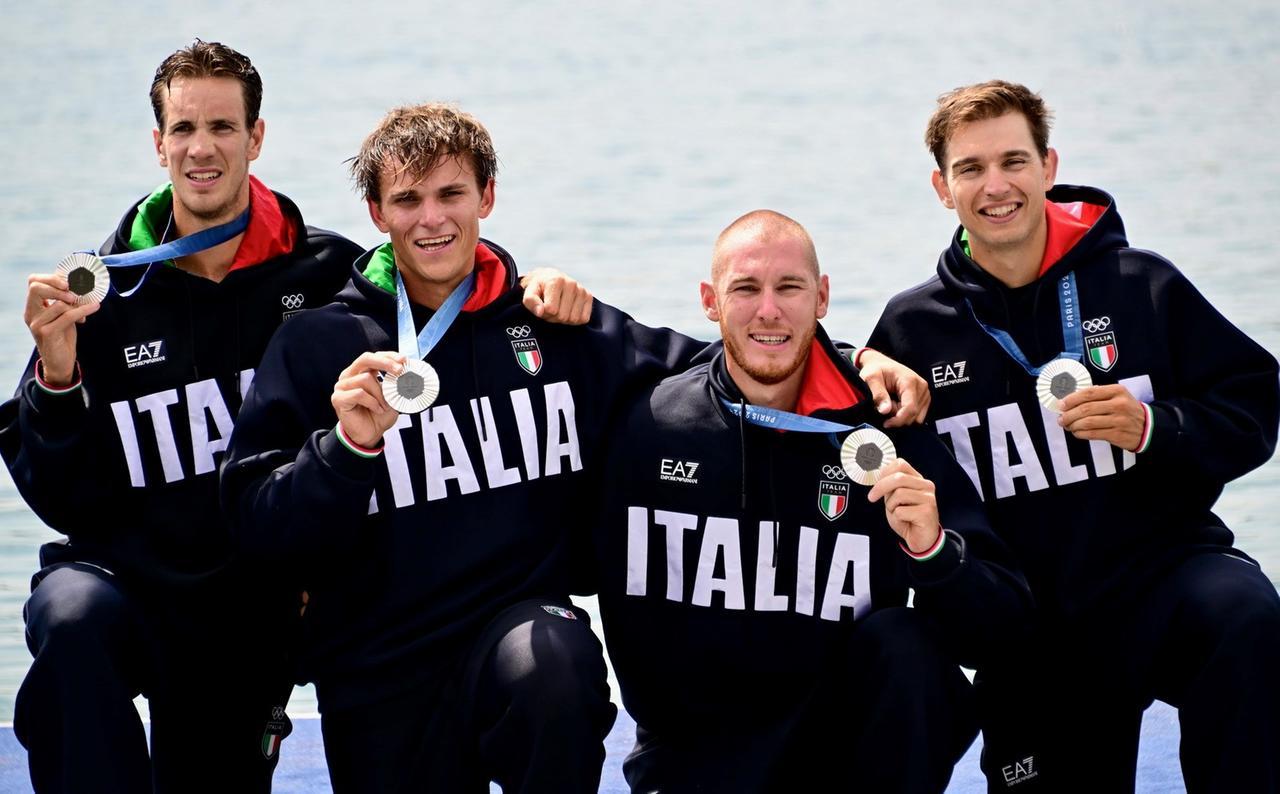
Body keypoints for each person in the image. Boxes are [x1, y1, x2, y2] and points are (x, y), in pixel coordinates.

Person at [0, 42, 585, 794]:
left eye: (222, 126)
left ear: (256, 137)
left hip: (253, 609)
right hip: (127, 581)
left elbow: (434, 269)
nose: (201, 148)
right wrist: (56, 378)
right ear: (158, 143)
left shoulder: (326, 277)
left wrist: (529, 287)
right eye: (183, 129)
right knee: (70, 620)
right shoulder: (103, 295)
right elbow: (63, 498)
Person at [866, 80, 1280, 792]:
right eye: (971, 168)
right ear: (942, 188)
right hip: (1030, 631)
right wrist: (857, 358)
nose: (996, 186)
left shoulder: (1141, 283)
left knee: (1246, 617)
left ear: (1048, 167)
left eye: (1013, 161)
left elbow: (1253, 406)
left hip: (1163, 579)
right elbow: (823, 402)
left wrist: (1158, 427)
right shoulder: (913, 330)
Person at [591, 209, 1032, 794]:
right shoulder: (648, 426)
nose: (768, 310)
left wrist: (933, 552)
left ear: (822, 297)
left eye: (789, 287)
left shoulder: (883, 428)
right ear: (710, 301)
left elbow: (999, 630)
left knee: (909, 648)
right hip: (695, 759)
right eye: (745, 289)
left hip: (841, 756)